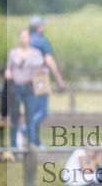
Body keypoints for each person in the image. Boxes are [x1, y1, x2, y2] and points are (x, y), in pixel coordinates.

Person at [27, 16, 65, 147]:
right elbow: (49, 61)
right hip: (40, 78)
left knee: (34, 110)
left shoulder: (27, 40)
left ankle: (35, 141)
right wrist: (59, 79)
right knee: (42, 111)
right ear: (39, 27)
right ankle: (25, 130)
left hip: (27, 80)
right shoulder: (43, 42)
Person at [4, 29, 45, 148]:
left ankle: (31, 146)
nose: (23, 39)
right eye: (21, 37)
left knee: (30, 117)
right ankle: (14, 147)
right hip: (16, 88)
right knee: (15, 117)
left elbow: (42, 69)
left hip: (30, 88)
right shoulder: (13, 53)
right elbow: (9, 68)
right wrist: (8, 74)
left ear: (29, 39)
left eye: (25, 37)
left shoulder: (36, 53)